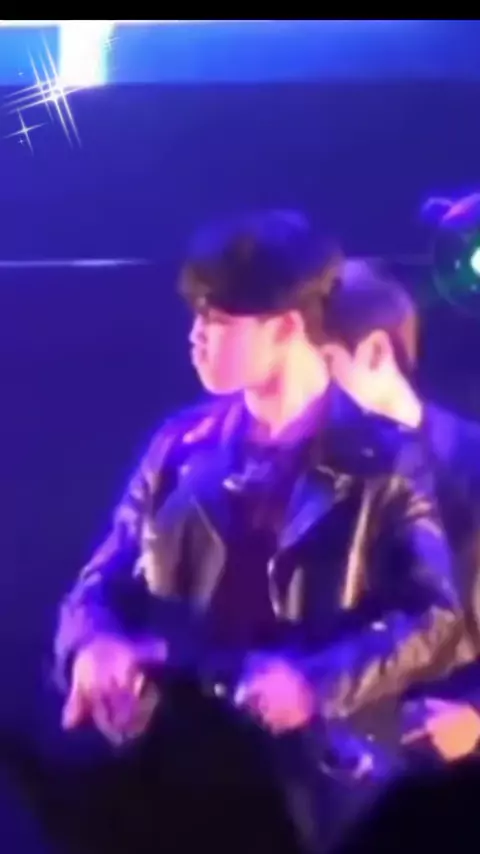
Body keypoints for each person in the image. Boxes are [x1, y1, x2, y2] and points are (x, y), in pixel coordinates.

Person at [53, 211, 461, 851]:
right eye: (196, 316)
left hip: (312, 787)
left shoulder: (384, 459)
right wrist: (92, 645)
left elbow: (431, 614)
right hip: (175, 770)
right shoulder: (180, 446)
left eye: (218, 320)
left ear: (286, 327)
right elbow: (103, 578)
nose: (196, 336)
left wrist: (312, 683)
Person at [322, 259, 480, 764]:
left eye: (321, 363)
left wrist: (475, 718)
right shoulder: (315, 474)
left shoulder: (470, 463)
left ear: (374, 352)